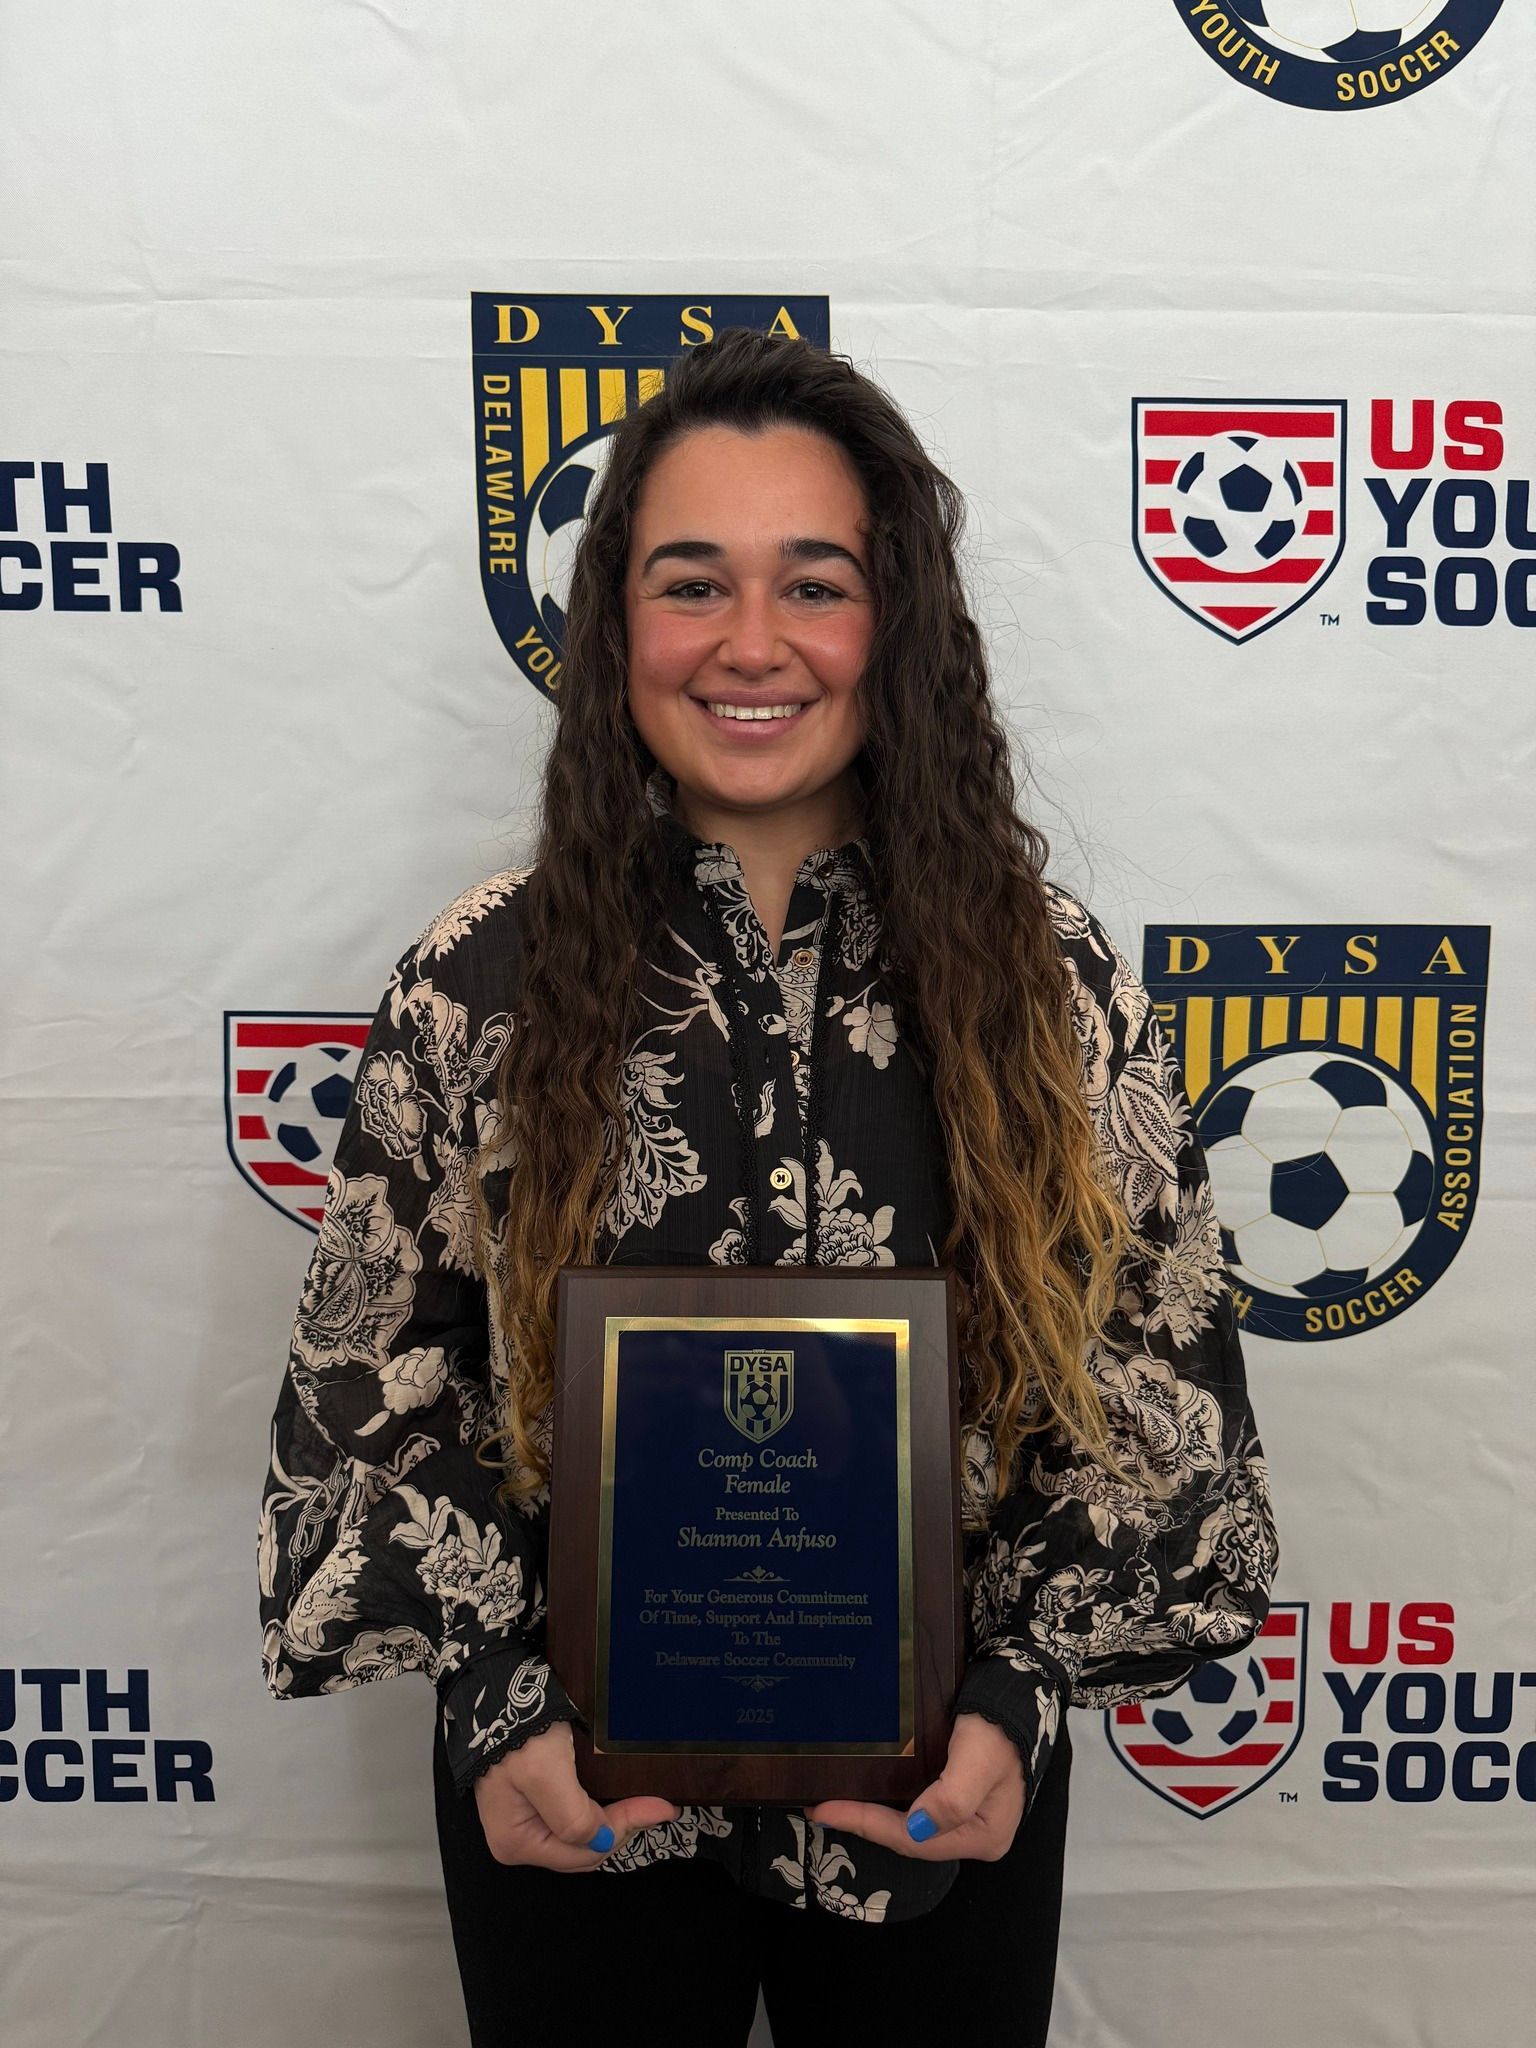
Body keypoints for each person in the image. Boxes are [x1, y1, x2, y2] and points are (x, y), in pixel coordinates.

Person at [258, 327, 1279, 2046]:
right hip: (567, 1808)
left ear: (902, 626)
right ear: (616, 630)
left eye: (816, 582)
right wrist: (500, 1710)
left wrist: (1014, 1697)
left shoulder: (1050, 981)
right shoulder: (477, 982)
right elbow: (377, 1382)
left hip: (932, 1800)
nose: (751, 644)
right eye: (691, 584)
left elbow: (1148, 1377)